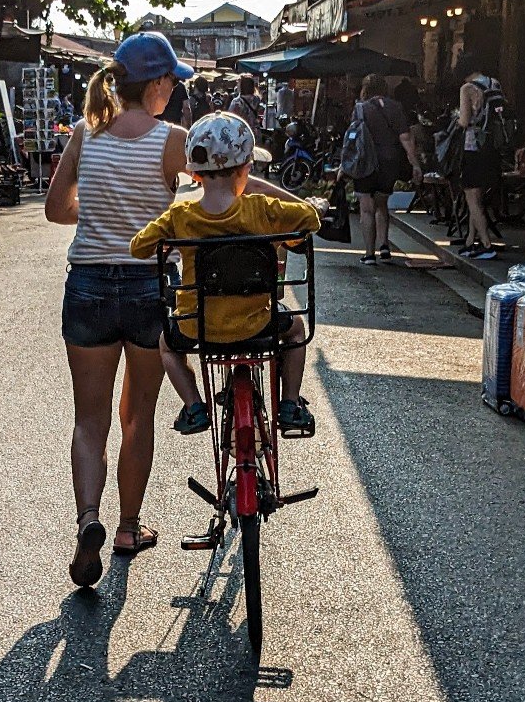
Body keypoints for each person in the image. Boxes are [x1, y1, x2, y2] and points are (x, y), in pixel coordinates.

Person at [45, 31, 193, 588]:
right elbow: (222, 186)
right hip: (146, 290)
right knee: (138, 414)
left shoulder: (87, 133)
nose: (174, 92)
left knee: (90, 418)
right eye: (172, 83)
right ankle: (128, 527)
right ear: (155, 84)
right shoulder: (171, 140)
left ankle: (89, 520)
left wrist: (96, 208)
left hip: (86, 287)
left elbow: (57, 209)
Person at [130, 112, 317, 436]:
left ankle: (194, 406)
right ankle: (288, 404)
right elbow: (310, 218)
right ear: (245, 168)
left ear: (194, 173)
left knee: (166, 344)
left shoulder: (181, 215)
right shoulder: (261, 207)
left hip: (196, 326)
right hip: (257, 321)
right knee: (296, 328)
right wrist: (266, 189)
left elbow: (138, 247)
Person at [349, 73, 420, 266]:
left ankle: (369, 253)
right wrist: (415, 164)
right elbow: (406, 138)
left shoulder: (360, 108)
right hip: (390, 162)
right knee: (381, 204)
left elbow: (353, 138)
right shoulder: (396, 107)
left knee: (366, 208)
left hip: (365, 163)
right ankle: (385, 246)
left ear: (365, 90)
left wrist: (344, 165)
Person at [451, 58, 504, 258]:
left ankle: (486, 244)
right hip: (491, 146)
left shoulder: (467, 88)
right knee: (479, 195)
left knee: (471, 196)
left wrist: (456, 117)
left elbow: (464, 121)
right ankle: (470, 240)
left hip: (473, 146)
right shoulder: (494, 83)